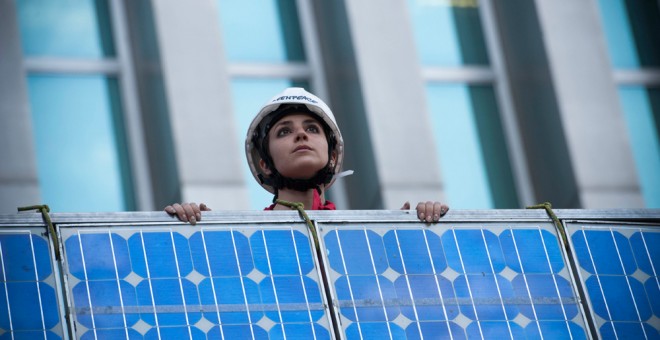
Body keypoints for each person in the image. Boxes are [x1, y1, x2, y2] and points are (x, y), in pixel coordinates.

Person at [165, 87, 448, 224]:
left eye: (312, 129)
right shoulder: (238, 239)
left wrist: (418, 234)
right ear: (264, 164)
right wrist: (187, 234)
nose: (301, 135)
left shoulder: (366, 235)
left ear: (334, 157)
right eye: (284, 132)